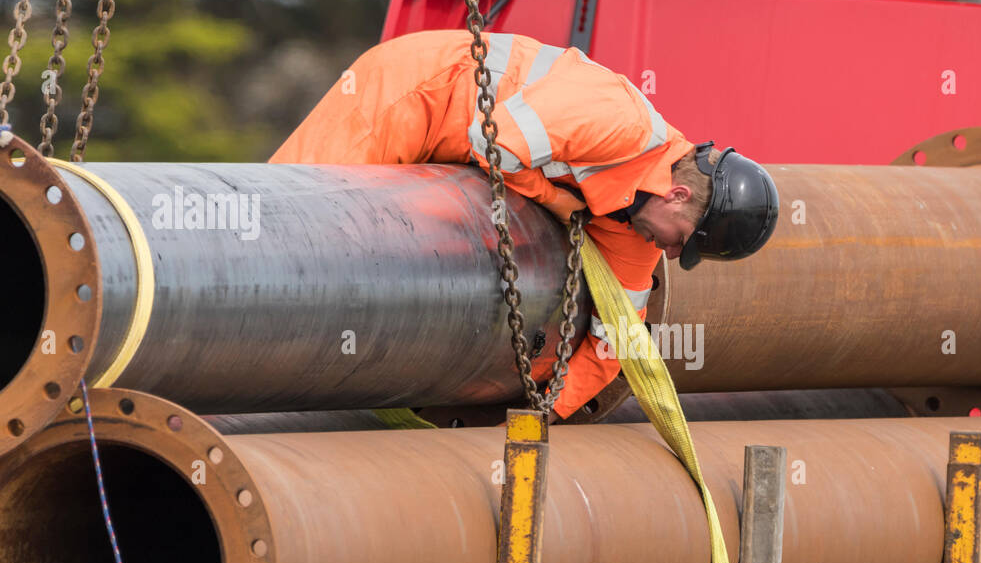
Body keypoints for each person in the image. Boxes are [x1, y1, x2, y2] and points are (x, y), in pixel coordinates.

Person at [270, 29, 778, 419]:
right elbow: (492, 142)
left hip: (452, 145)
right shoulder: (618, 121)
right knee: (294, 227)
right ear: (678, 195)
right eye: (681, 243)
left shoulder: (637, 226)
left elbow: (616, 337)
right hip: (413, 91)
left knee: (359, 267)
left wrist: (543, 414)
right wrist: (558, 202)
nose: (669, 255)